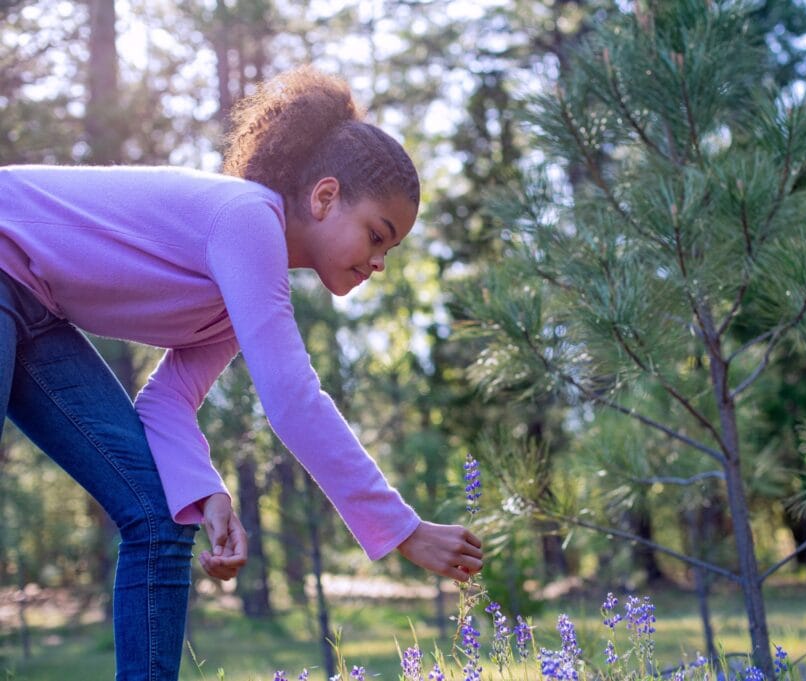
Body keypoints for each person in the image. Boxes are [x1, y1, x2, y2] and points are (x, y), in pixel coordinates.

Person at [0, 66, 484, 680]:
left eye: (390, 251)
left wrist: (207, 493)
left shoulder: (243, 282)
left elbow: (168, 400)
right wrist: (402, 529)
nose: (380, 263)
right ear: (326, 196)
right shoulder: (248, 218)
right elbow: (293, 401)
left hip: (32, 307)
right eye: (377, 236)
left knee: (160, 515)